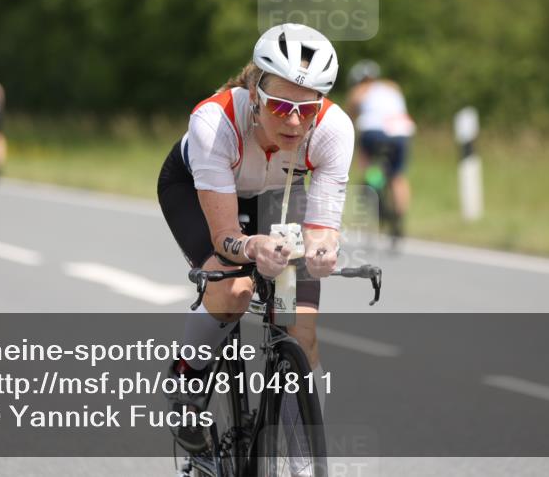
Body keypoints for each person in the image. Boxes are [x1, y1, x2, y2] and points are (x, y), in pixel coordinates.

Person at [157, 23, 354, 454]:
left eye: (308, 109)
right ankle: (186, 382)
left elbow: (322, 229)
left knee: (300, 329)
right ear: (255, 92)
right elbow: (227, 235)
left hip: (275, 196)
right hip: (195, 187)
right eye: (281, 107)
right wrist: (251, 247)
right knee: (234, 288)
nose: (296, 121)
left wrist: (323, 251)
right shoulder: (215, 119)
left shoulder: (334, 129)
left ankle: (304, 463)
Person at [345, 59, 415, 238]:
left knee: (366, 162)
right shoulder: (392, 87)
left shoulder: (359, 91)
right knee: (398, 176)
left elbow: (348, 121)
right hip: (401, 131)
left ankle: (371, 182)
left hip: (374, 132)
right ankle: (399, 218)